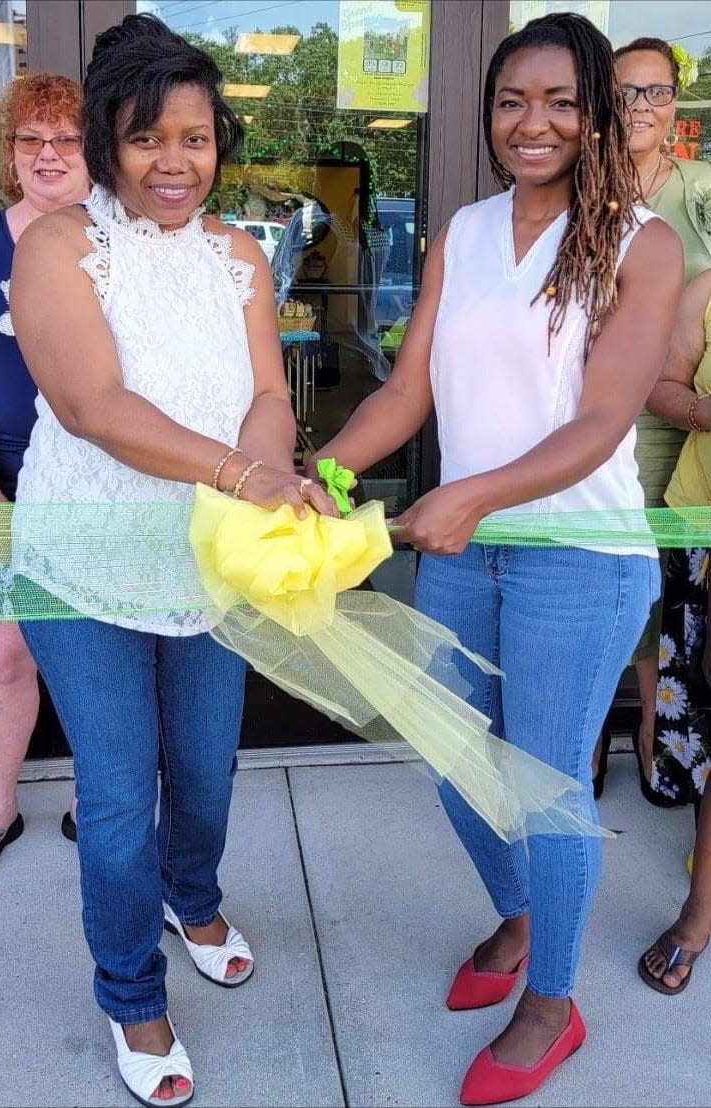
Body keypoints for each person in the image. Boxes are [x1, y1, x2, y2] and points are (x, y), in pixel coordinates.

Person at [309, 13, 682, 1104]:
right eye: (514, 101)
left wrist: (466, 493)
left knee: (551, 786)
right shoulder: (464, 232)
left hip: (580, 554)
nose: (536, 122)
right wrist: (321, 471)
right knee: (456, 760)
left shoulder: (641, 245)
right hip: (468, 556)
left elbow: (603, 421)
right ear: (488, 113)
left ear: (598, 114)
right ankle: (524, 916)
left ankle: (553, 1001)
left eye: (564, 101)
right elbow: (406, 389)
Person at [9, 15, 335, 1107]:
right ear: (107, 139)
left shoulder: (240, 253)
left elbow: (263, 398)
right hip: (87, 560)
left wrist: (272, 466)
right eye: (149, 138)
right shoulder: (58, 245)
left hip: (207, 562)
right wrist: (243, 478)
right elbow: (90, 404)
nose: (175, 162)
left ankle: (190, 894)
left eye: (195, 138)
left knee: (204, 767)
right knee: (115, 795)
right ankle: (130, 992)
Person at [0, 74, 90, 886]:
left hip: (101, 488)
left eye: (67, 139)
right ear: (11, 154)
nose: (47, 155)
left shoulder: (117, 238)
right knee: (5, 657)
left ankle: (99, 798)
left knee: (103, 652)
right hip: (3, 482)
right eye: (30, 140)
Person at [593, 37, 711, 800]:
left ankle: (654, 726)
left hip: (687, 421)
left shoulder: (702, 189)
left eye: (657, 91)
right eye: (626, 92)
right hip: (603, 414)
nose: (642, 107)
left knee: (675, 586)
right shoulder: (580, 188)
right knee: (611, 570)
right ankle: (600, 725)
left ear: (676, 103)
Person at [636, 268, 711, 992]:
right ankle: (700, 912)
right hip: (703, 522)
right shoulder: (706, 289)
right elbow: (660, 387)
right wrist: (705, 410)